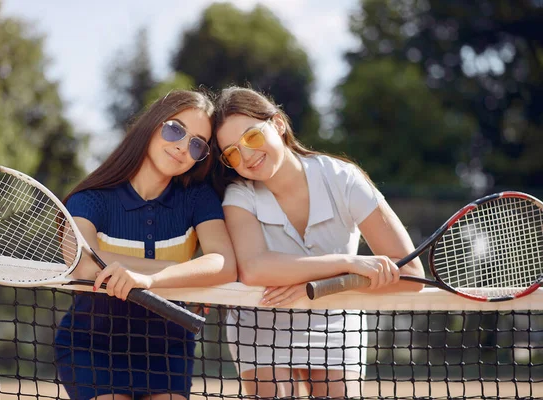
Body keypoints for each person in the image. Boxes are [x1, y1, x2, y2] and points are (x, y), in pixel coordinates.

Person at [211, 86, 425, 398]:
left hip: (337, 320)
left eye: (252, 137)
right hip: (260, 323)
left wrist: (320, 286)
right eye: (231, 152)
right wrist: (346, 264)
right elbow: (255, 268)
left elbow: (410, 275)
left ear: (278, 124)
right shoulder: (239, 195)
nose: (246, 155)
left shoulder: (344, 179)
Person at [54, 89, 237, 400]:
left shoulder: (197, 199)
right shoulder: (92, 198)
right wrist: (188, 272)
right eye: (175, 129)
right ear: (152, 124)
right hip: (94, 346)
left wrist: (149, 279)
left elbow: (224, 263)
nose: (182, 146)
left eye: (196, 144)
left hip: (168, 348)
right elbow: (82, 262)